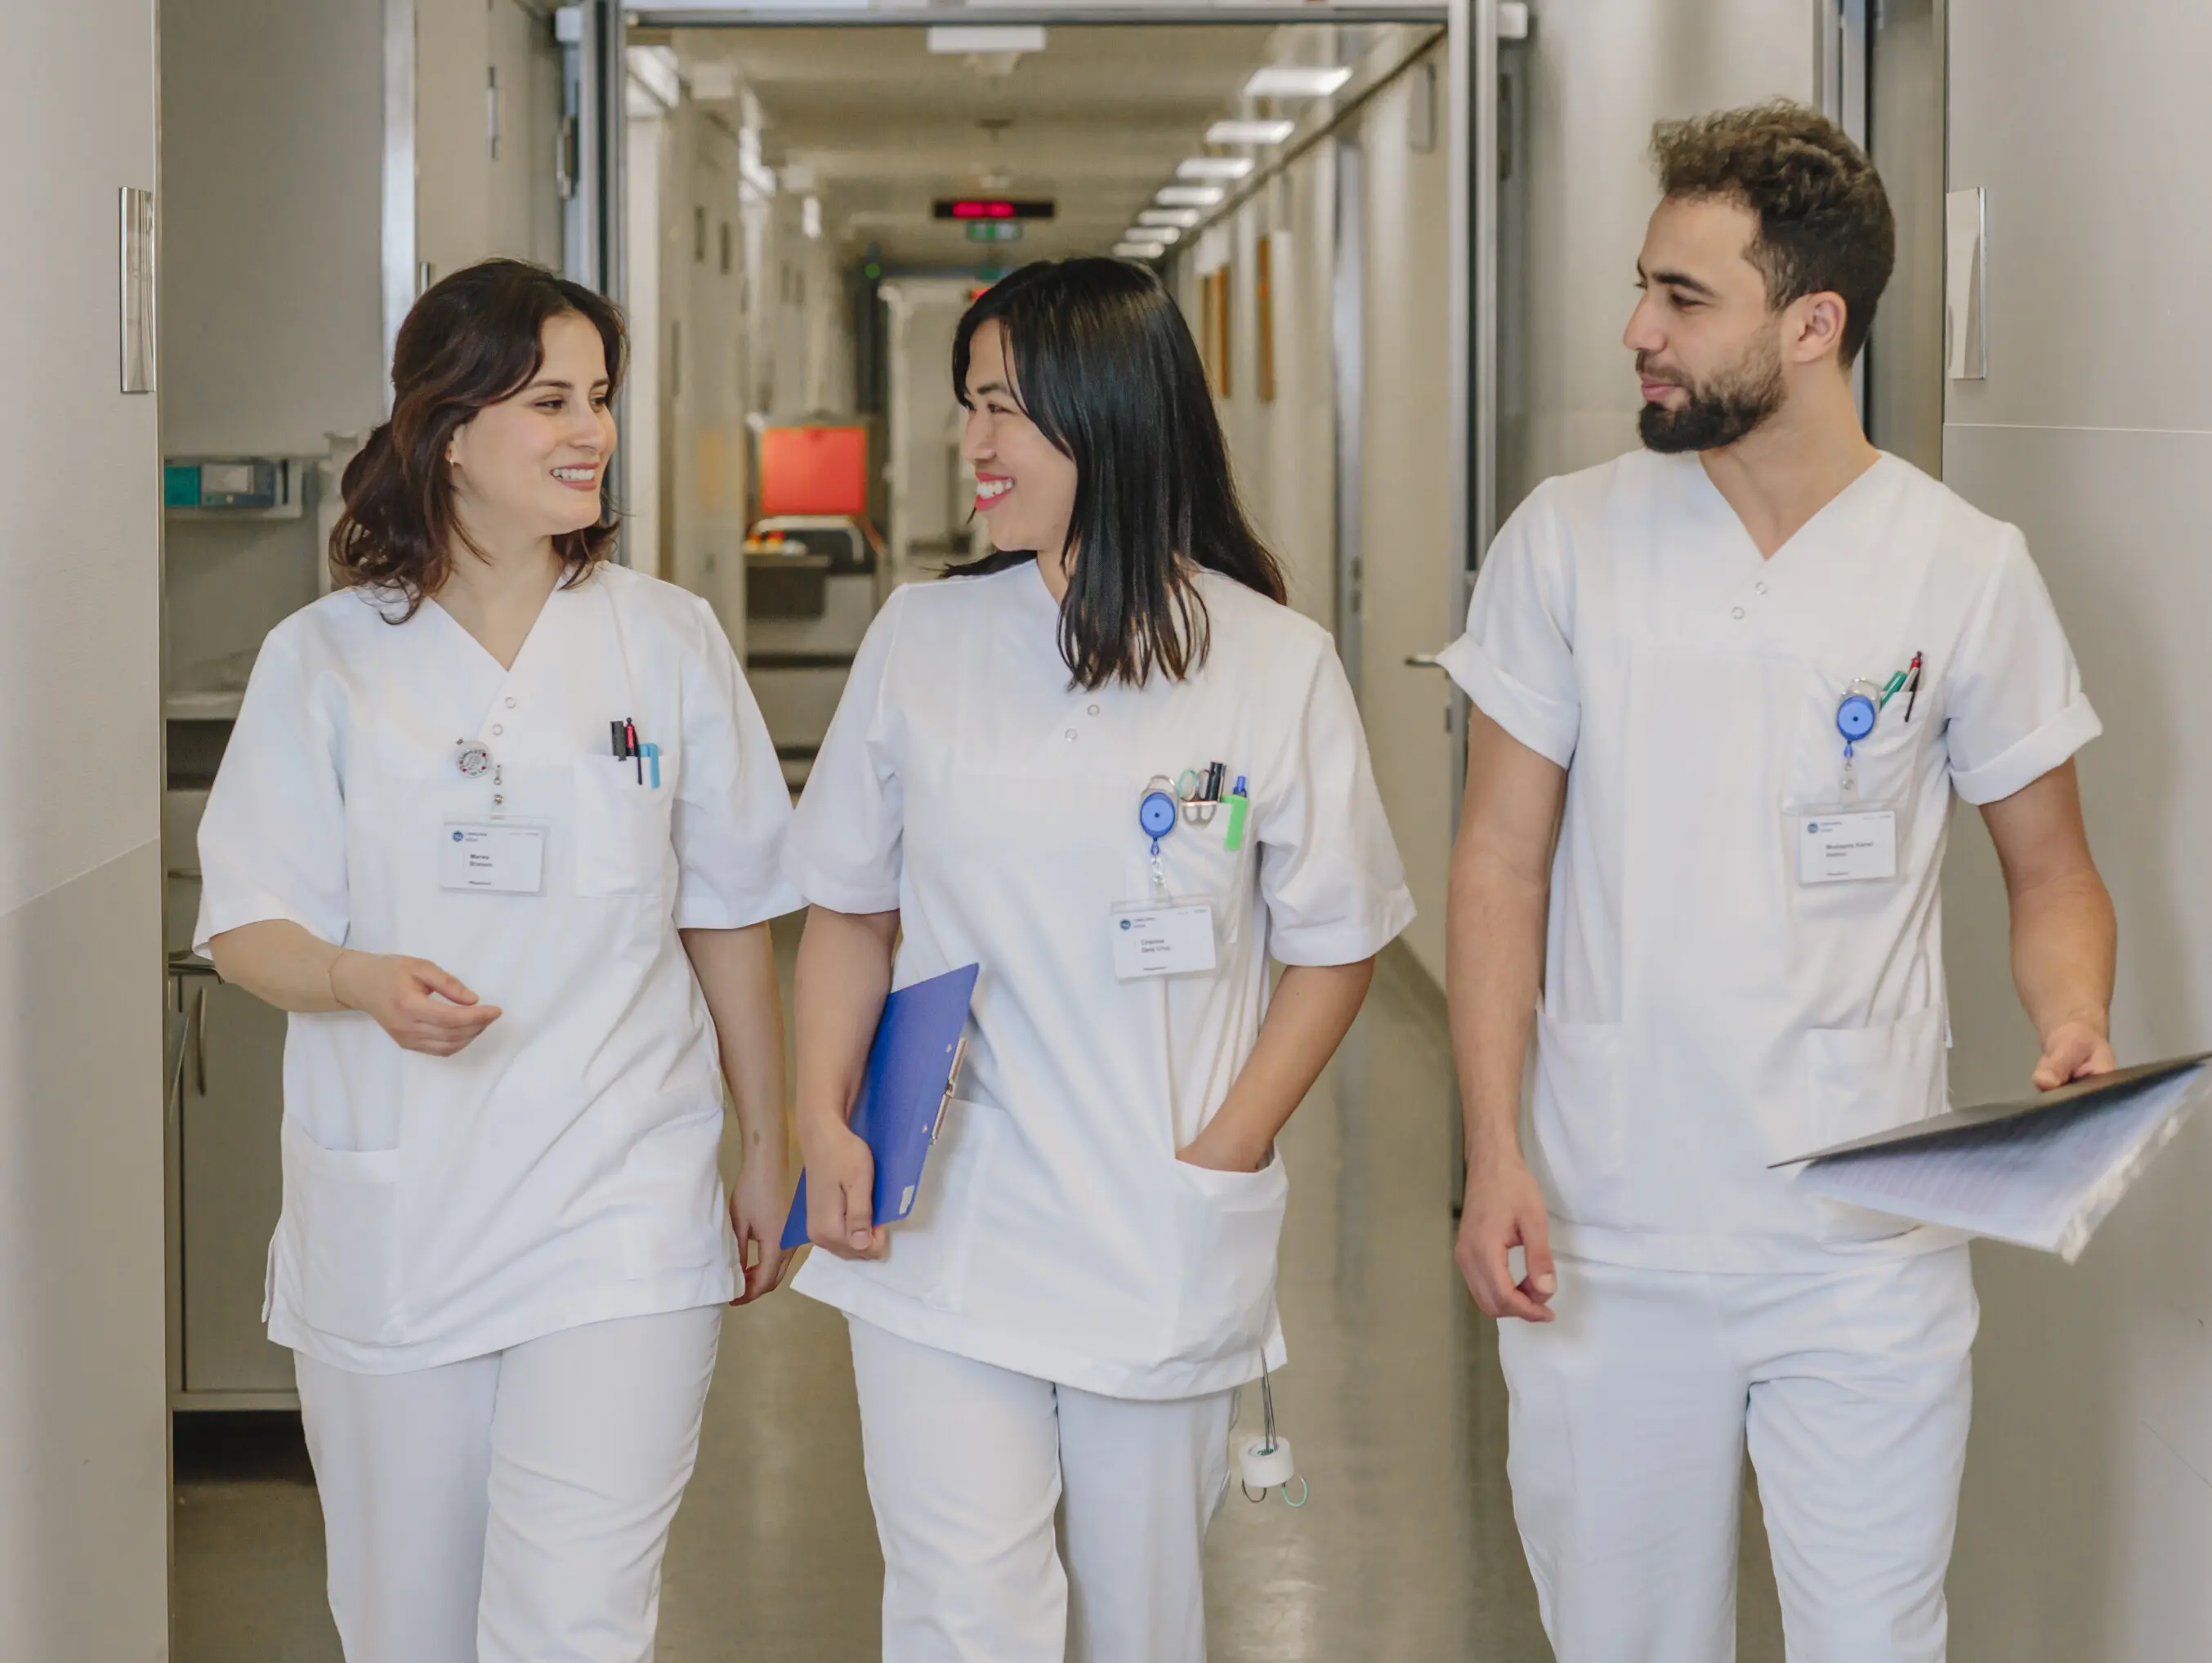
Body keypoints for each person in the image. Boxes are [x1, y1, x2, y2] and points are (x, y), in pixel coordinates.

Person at [1443, 103, 2115, 1662]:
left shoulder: (1959, 567)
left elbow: (2051, 868)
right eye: (1643, 288)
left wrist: (2071, 1018)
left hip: (1863, 1240)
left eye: (1684, 301)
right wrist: (1491, 1150)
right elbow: (1496, 859)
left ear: (1813, 325)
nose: (1636, 332)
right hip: (1607, 1234)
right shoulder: (1567, 543)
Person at [784, 257, 1414, 1663]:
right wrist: (816, 1114)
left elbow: (1335, 944)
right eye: (968, 406)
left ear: (1109, 413)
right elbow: (847, 906)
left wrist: (1224, 1146)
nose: (973, 444)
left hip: (1153, 1215)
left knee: (1143, 1623)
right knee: (961, 1618)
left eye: (1004, 407)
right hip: (937, 1216)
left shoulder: (1270, 662)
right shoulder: (922, 639)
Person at [194, 258, 800, 1663]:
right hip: (403, 1215)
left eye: (597, 398)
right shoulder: (327, 660)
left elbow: (726, 909)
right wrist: (359, 981)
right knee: (405, 1627)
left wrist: (760, 1139)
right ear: (450, 428)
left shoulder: (667, 640)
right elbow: (249, 923)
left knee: (575, 1623)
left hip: (623, 1202)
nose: (589, 429)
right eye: (549, 400)